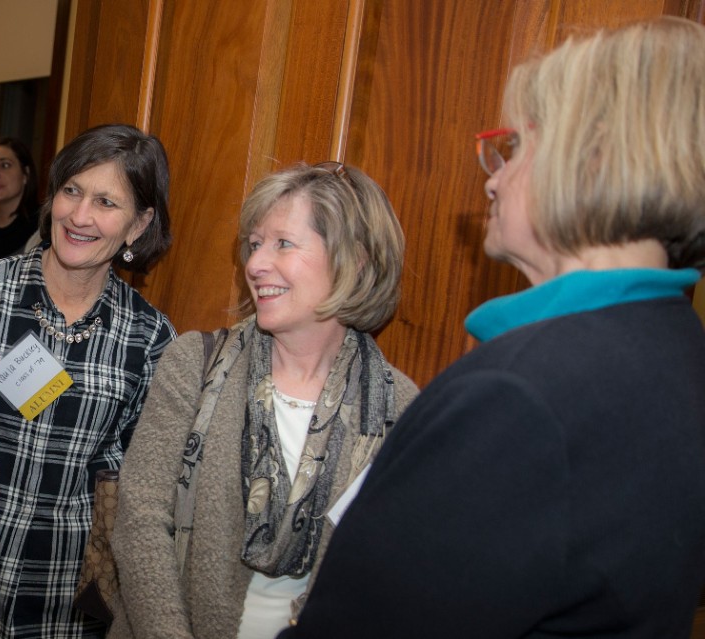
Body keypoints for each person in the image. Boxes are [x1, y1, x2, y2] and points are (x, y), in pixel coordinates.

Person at [282, 17, 705, 639]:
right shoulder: (675, 348)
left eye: (517, 149)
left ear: (588, 160)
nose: (493, 176)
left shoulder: (518, 395)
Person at [107, 163, 418, 639]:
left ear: (352, 261)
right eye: (255, 244)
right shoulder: (195, 363)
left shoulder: (398, 405)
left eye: (283, 244)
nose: (254, 265)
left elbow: (395, 567)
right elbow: (140, 519)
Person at [0, 123, 178, 638]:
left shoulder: (150, 338)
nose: (80, 216)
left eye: (107, 203)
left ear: (139, 225)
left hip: (62, 607)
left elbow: (132, 495)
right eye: (72, 191)